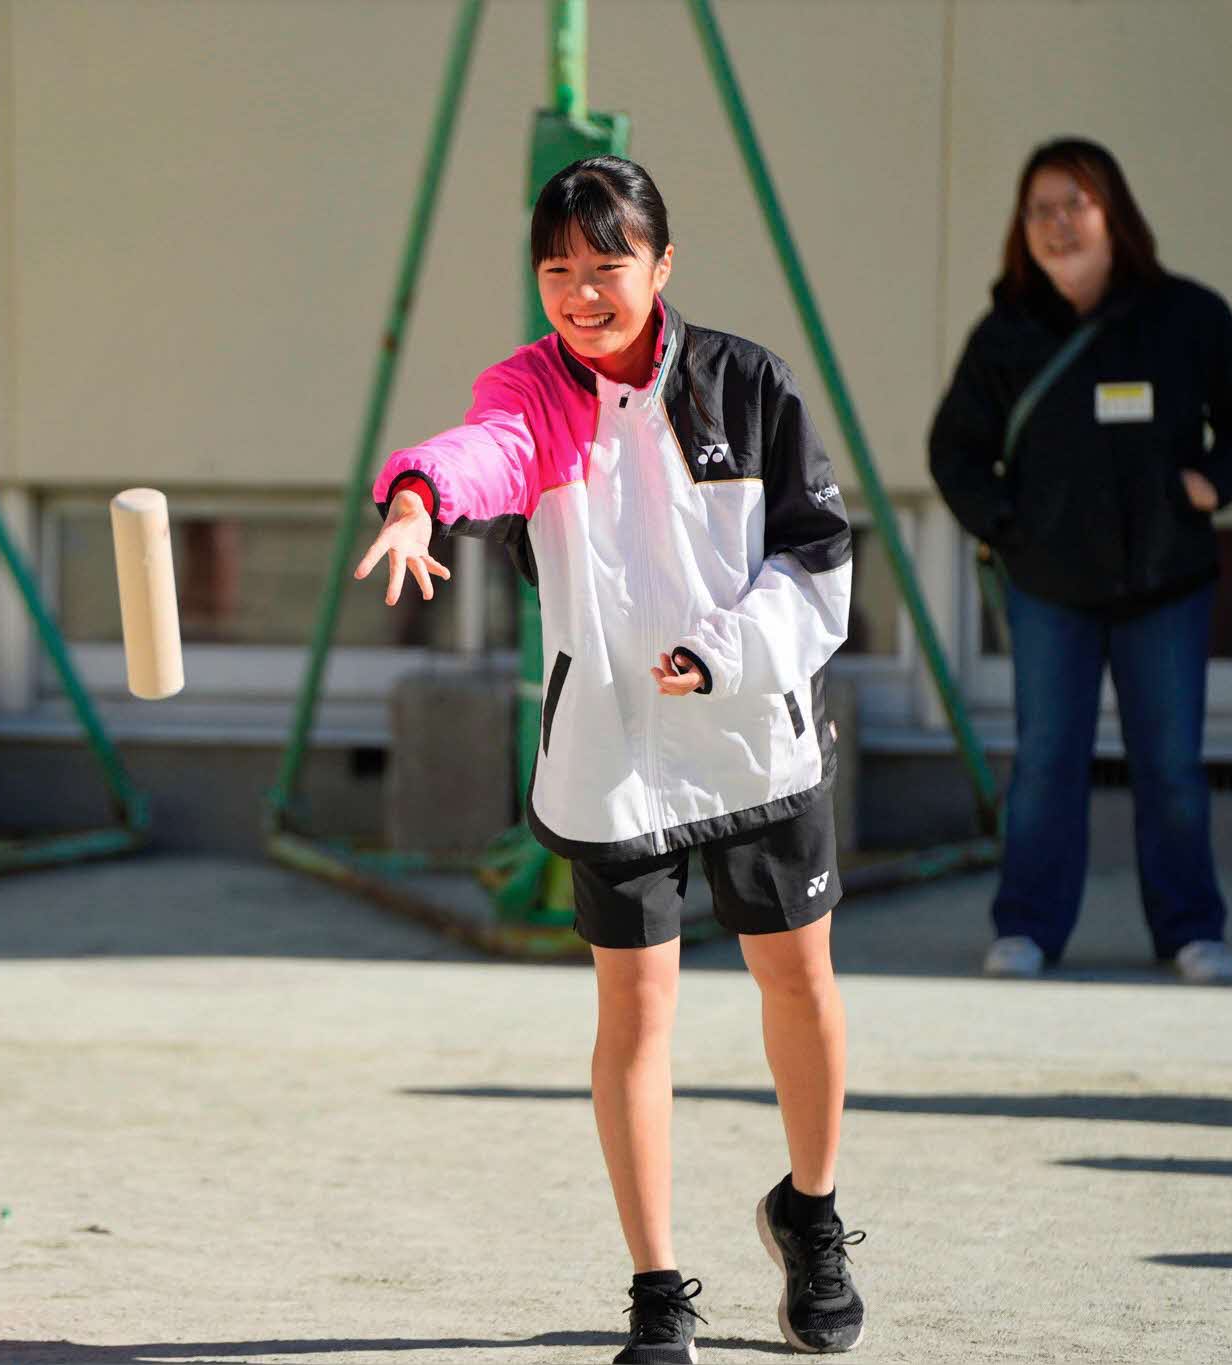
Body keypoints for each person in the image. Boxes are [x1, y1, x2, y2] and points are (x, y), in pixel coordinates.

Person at [357, 157, 865, 1362]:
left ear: (661, 264)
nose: (582, 293)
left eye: (607, 265)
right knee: (634, 1015)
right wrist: (418, 500)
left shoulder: (748, 385)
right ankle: (655, 1290)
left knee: (797, 984)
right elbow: (478, 449)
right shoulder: (530, 392)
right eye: (557, 272)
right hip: (614, 761)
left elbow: (819, 565)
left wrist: (723, 654)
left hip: (753, 740)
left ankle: (813, 1215)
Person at [928, 138, 1232, 984]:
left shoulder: (1185, 316)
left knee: (1171, 769)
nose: (1057, 225)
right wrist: (1008, 521)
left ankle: (1192, 929)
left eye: (1074, 205)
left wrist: (1214, 482)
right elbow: (954, 452)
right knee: (1047, 763)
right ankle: (1026, 928)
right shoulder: (1006, 333)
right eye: (1039, 210)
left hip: (1167, 583)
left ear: (1113, 214)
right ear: (1024, 230)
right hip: (1050, 589)